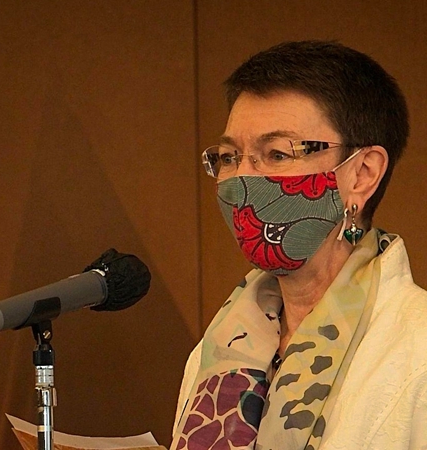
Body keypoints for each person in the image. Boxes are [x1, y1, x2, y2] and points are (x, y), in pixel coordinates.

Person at [171, 41, 427, 449]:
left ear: (362, 173)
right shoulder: (220, 346)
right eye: (231, 157)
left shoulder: (416, 346)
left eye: (276, 154)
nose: (243, 179)